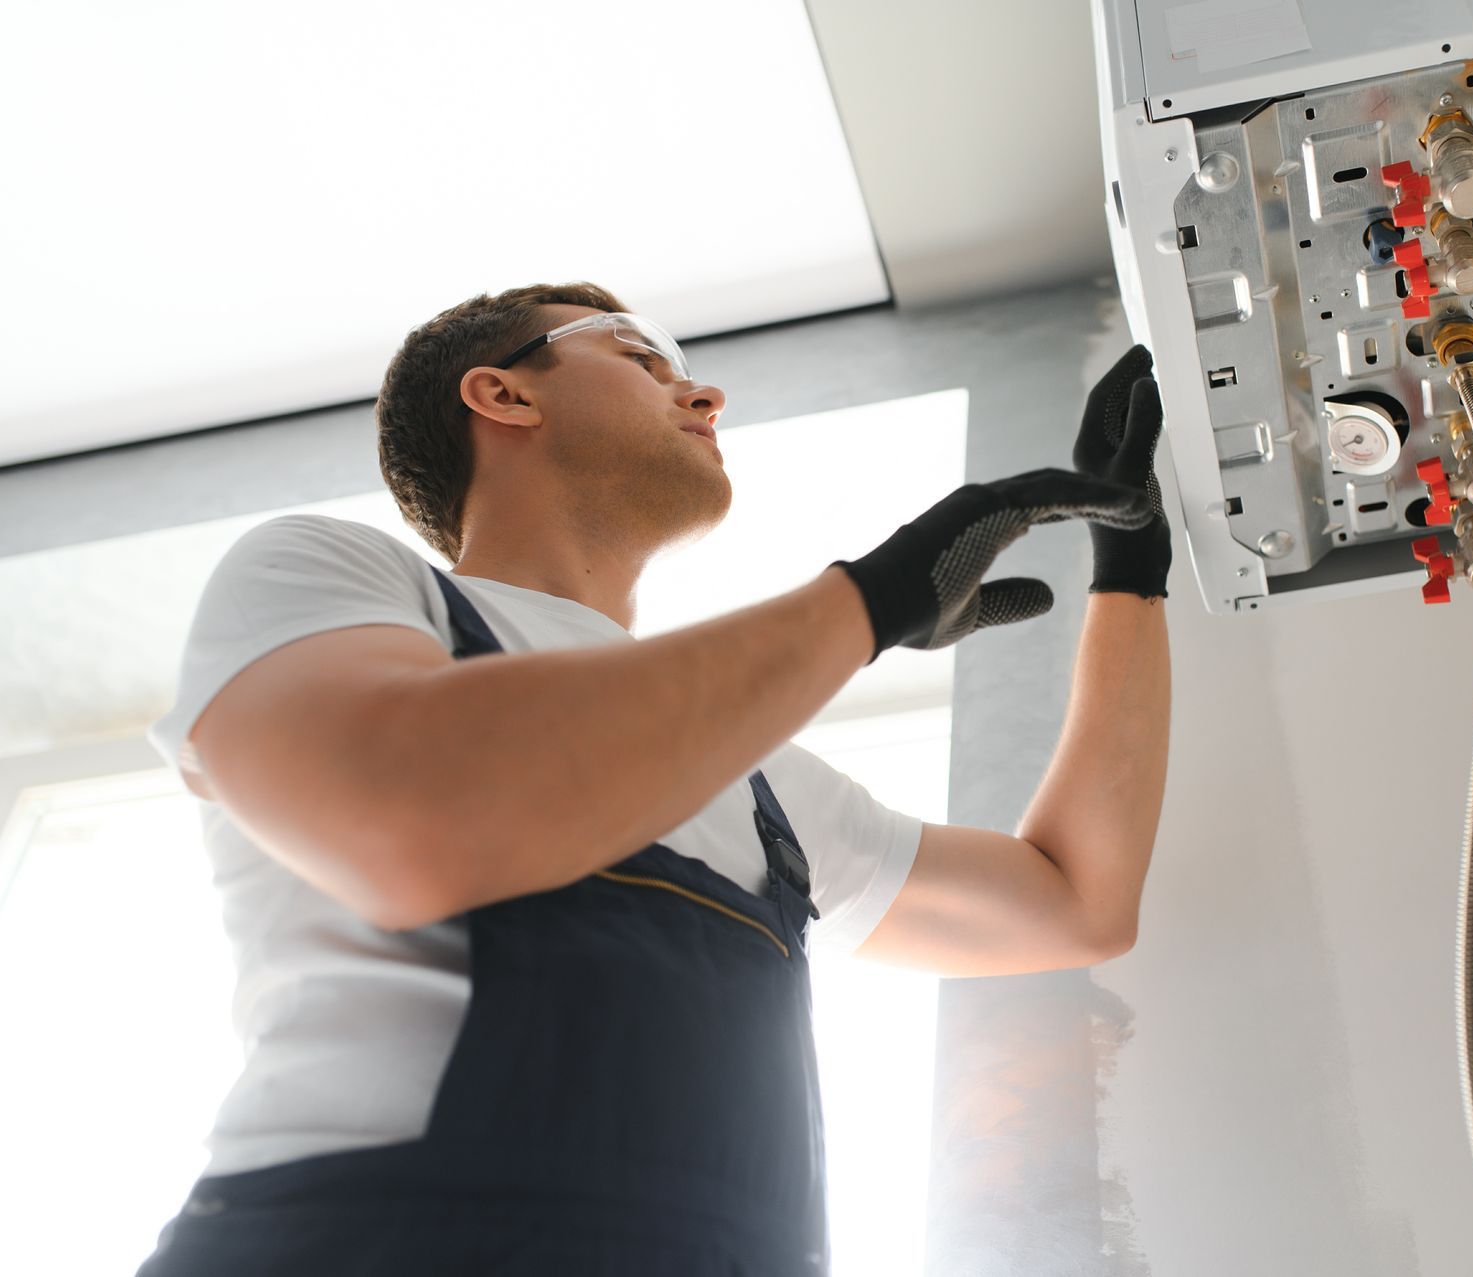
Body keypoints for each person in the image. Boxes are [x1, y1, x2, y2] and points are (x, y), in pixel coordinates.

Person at [134, 281, 1172, 1275]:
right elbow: (411, 821)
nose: (706, 392)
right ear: (503, 392)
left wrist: (1132, 569)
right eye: (638, 354)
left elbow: (1072, 899)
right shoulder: (331, 575)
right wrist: (869, 601)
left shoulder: (759, 781)